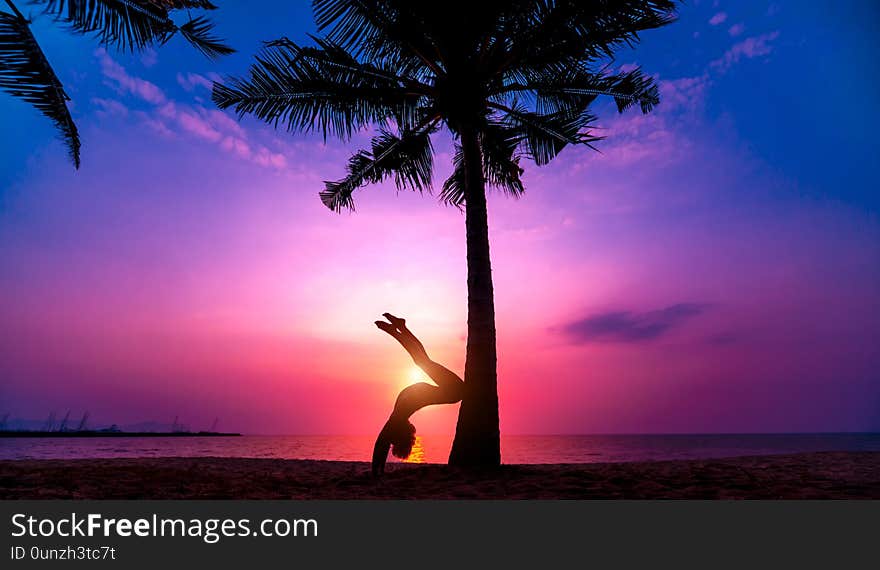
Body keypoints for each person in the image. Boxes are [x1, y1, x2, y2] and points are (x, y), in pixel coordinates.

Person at [371, 313, 464, 476]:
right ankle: (400, 328)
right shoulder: (398, 417)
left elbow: (381, 444)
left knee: (422, 360)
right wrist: (377, 470)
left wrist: (376, 471)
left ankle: (398, 330)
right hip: (450, 390)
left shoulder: (397, 417)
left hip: (453, 390)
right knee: (423, 360)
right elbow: (382, 443)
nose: (391, 440)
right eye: (395, 441)